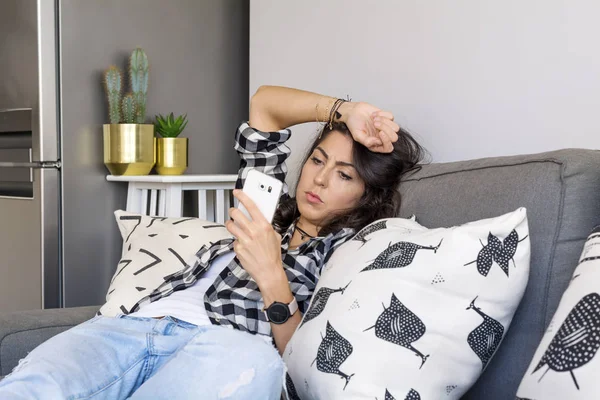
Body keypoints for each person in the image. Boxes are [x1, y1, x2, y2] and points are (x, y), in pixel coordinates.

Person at [0, 86, 425, 399]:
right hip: (134, 328)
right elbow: (265, 107)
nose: (318, 178)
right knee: (31, 387)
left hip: (227, 350)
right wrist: (346, 111)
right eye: (318, 159)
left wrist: (272, 275)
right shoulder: (267, 207)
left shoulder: (348, 251)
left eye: (344, 175)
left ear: (366, 194)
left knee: (254, 365)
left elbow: (303, 363)